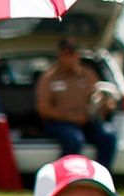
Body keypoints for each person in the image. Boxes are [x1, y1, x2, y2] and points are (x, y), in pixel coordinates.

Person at [36, 38, 118, 168]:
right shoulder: (49, 78)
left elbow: (98, 96)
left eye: (72, 53)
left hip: (87, 121)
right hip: (59, 122)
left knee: (108, 136)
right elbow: (43, 109)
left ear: (77, 55)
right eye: (66, 54)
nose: (70, 58)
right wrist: (69, 117)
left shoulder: (88, 74)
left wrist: (105, 105)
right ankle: (66, 175)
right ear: (60, 56)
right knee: (74, 139)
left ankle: (101, 176)